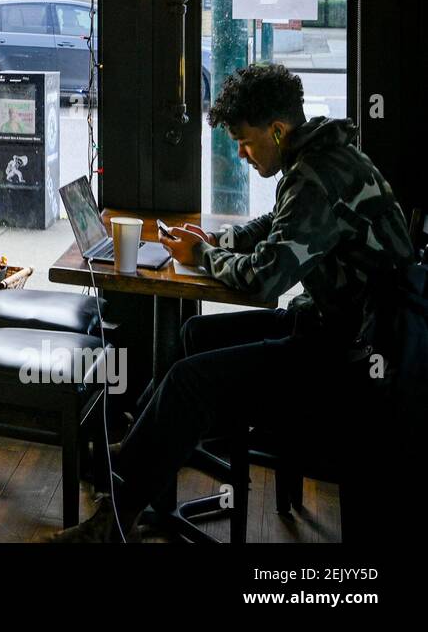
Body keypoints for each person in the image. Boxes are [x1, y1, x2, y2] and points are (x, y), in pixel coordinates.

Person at [51, 63, 415, 542]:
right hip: (341, 330)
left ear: (278, 131)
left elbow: (264, 283)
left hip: (354, 357)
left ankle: (111, 521)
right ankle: (142, 446)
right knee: (194, 334)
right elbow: (275, 226)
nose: (241, 154)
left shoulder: (316, 177)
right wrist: (216, 239)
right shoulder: (323, 158)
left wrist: (203, 254)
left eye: (245, 141)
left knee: (188, 381)